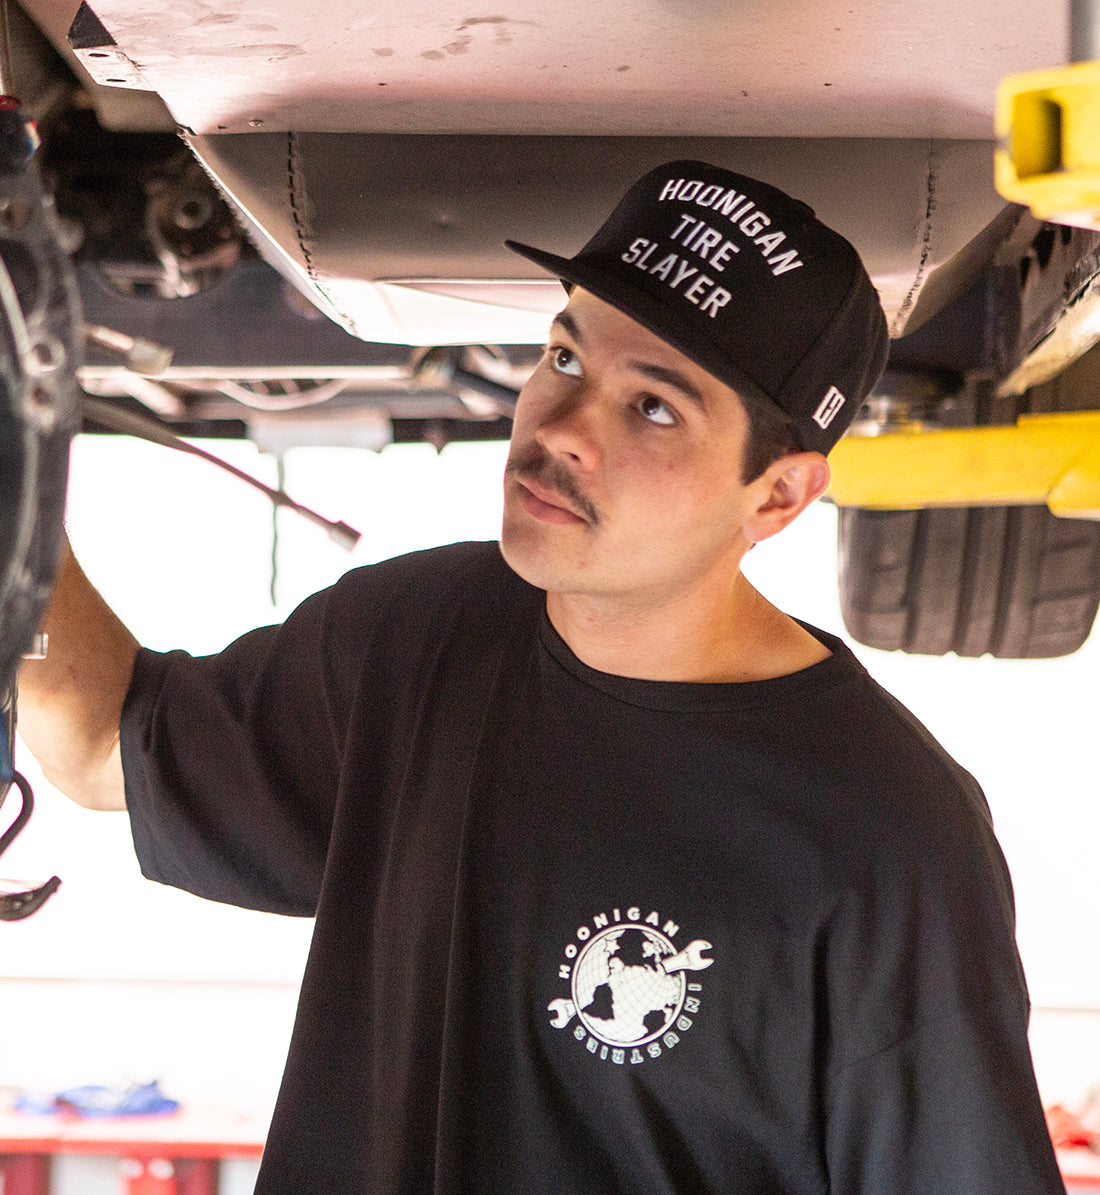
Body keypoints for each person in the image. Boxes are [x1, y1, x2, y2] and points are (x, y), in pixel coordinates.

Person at [17, 161, 1064, 1193]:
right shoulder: (414, 638)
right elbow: (108, 738)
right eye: (565, 356)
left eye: (652, 407)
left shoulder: (885, 835)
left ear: (777, 496)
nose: (560, 430)